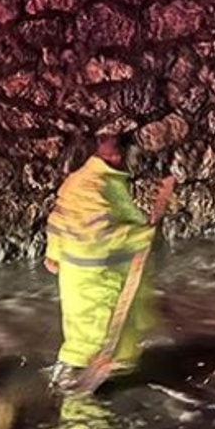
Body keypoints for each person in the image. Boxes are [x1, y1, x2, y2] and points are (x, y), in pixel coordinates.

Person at [44, 133, 159, 386]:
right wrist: (140, 236)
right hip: (97, 275)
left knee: (86, 325)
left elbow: (59, 218)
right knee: (98, 327)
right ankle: (83, 377)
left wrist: (53, 253)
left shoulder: (83, 180)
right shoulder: (95, 184)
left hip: (80, 273)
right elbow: (100, 233)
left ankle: (106, 368)